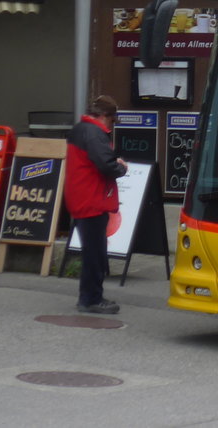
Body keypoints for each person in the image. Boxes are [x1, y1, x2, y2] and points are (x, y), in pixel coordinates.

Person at [64, 95, 127, 314]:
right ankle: (91, 299)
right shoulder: (94, 133)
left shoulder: (80, 129)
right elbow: (106, 165)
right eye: (111, 120)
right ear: (103, 116)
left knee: (93, 251)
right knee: (95, 253)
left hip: (81, 196)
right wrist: (121, 167)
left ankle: (89, 296)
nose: (111, 125)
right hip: (92, 199)